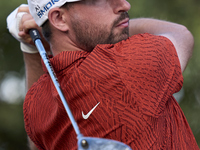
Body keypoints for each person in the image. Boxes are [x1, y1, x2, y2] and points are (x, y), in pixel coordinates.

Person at [7, 0, 199, 149]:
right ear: (59, 19)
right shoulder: (126, 65)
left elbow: (36, 142)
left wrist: (29, 47)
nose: (124, 5)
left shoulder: (37, 104)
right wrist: (123, 25)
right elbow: (180, 34)